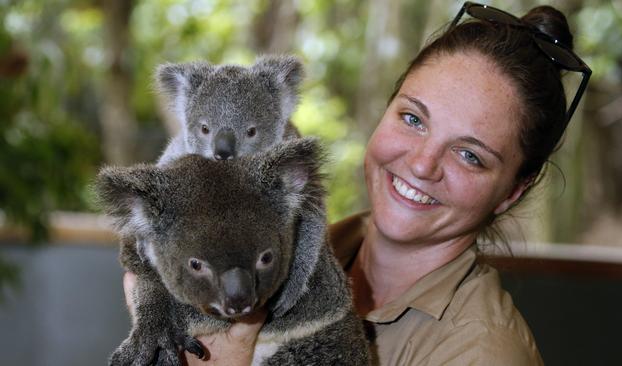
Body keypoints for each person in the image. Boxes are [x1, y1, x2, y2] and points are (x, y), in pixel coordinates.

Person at [123, 2, 590, 365]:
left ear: (513, 190)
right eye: (412, 118)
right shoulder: (309, 239)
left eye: (470, 155)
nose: (423, 163)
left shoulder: (481, 352)